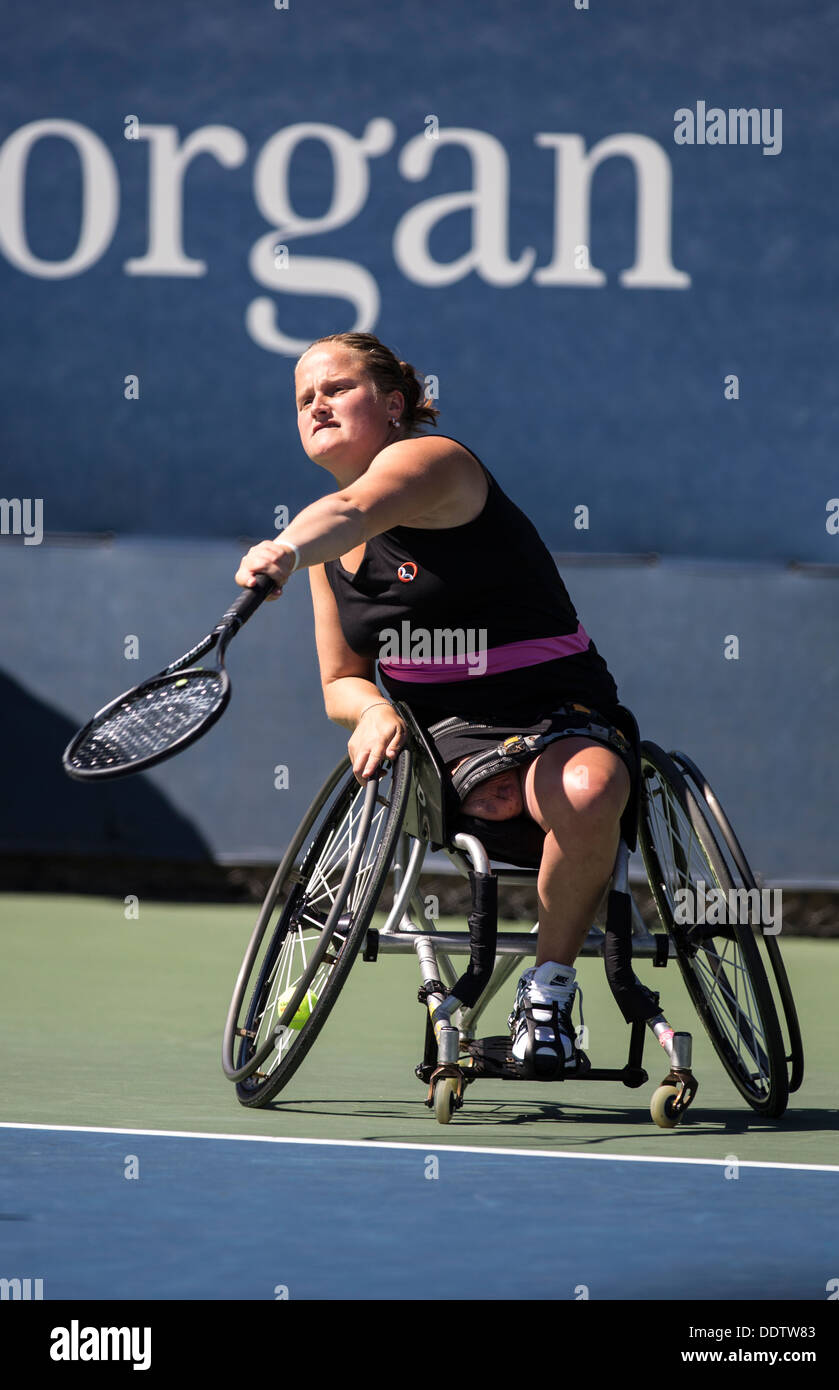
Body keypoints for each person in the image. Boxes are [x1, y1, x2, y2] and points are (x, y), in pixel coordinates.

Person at [235, 332, 636, 1076]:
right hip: (443, 737)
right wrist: (375, 712)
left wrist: (287, 548)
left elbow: (357, 508)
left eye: (336, 388)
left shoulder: (434, 463)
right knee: (492, 793)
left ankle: (547, 993)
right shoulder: (328, 548)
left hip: (554, 706)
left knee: (588, 790)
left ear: (393, 405)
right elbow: (341, 681)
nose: (316, 403)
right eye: (303, 398)